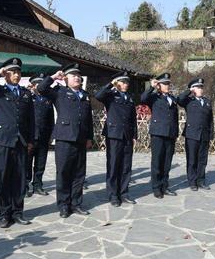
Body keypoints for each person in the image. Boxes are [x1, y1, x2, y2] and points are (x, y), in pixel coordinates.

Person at [0, 58, 35, 228]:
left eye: (18, 72)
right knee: (2, 178)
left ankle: (18, 212)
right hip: (3, 140)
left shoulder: (26, 93)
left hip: (21, 141)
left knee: (19, 179)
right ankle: (4, 213)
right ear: (6, 74)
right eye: (12, 72)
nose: (16, 75)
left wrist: (31, 140)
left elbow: (31, 119)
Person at [37, 63, 93, 218]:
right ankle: (63, 205)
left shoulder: (85, 95)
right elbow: (41, 88)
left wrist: (90, 137)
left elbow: (89, 120)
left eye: (78, 75)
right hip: (64, 138)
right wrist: (54, 77)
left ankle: (76, 203)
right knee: (63, 173)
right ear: (66, 78)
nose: (77, 77)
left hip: (81, 139)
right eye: (73, 75)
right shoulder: (59, 92)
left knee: (79, 174)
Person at [94, 71, 138, 207]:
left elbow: (132, 118)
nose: (126, 85)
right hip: (114, 134)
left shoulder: (129, 98)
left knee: (126, 166)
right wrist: (110, 85)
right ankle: (113, 194)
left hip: (127, 135)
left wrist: (135, 135)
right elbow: (98, 96)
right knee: (113, 165)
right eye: (123, 82)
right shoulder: (111, 95)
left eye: (127, 82)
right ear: (117, 83)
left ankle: (124, 193)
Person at [141, 72, 179, 199]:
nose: (167, 86)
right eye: (164, 84)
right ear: (159, 85)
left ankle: (165, 185)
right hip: (158, 133)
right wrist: (151, 87)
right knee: (157, 162)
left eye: (168, 84)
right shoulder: (154, 97)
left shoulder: (172, 99)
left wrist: (176, 133)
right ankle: (156, 188)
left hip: (170, 134)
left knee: (167, 163)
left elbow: (175, 117)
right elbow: (143, 99)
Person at [177, 77, 213, 191]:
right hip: (192, 135)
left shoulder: (207, 102)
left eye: (201, 87)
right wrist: (189, 91)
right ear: (193, 89)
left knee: (202, 160)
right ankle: (192, 181)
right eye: (198, 87)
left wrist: (211, 133)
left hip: (204, 135)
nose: (200, 89)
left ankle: (201, 180)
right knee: (192, 159)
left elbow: (210, 120)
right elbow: (179, 99)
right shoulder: (189, 101)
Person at [26, 73, 55, 197]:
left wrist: (51, 136)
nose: (39, 86)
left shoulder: (47, 100)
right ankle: (25, 185)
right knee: (26, 163)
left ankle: (38, 185)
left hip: (43, 137)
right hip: (30, 137)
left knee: (40, 163)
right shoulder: (27, 98)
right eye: (37, 83)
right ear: (32, 85)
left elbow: (51, 120)